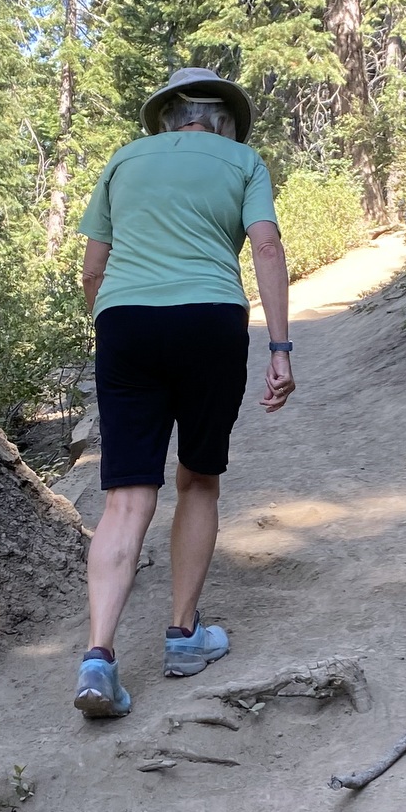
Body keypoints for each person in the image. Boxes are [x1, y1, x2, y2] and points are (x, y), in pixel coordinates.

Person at [72, 68, 295, 718]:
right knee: (198, 478)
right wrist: (280, 349)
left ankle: (97, 658)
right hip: (209, 318)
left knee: (126, 496)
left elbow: (93, 267)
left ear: (167, 118)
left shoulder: (123, 160)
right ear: (224, 118)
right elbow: (267, 247)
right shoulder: (243, 160)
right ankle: (183, 635)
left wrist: (113, 332)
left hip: (125, 322)